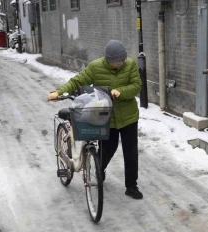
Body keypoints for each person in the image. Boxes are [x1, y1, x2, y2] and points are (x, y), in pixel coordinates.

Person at [47, 40, 143, 199]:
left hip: (128, 117)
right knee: (107, 149)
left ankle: (131, 186)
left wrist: (121, 91)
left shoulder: (130, 65)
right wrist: (59, 92)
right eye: (117, 61)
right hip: (106, 117)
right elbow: (77, 81)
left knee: (131, 152)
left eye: (122, 60)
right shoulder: (96, 67)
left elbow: (136, 85)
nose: (121, 63)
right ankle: (99, 170)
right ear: (108, 60)